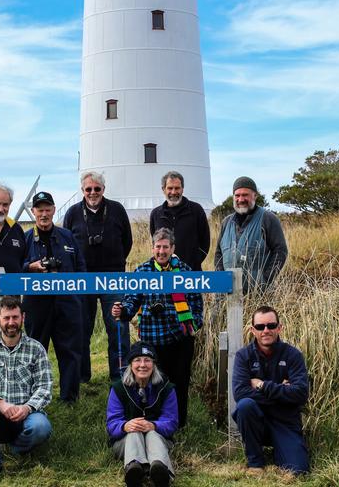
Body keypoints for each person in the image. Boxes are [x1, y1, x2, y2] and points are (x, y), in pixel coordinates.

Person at [112, 228, 203, 427]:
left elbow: (197, 305)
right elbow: (131, 302)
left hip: (180, 339)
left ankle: (178, 424)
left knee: (179, 383)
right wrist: (123, 312)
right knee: (152, 384)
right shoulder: (142, 271)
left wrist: (190, 325)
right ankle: (152, 423)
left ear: (173, 249)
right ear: (152, 248)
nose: (161, 251)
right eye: (158, 247)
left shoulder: (186, 272)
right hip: (152, 340)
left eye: (165, 247)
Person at [0, 296, 52, 484]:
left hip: (26, 415)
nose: (11, 323)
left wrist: (27, 408)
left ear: (23, 317)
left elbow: (45, 387)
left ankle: (16, 448)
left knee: (42, 427)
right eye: (6, 318)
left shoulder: (36, 349)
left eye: (15, 317)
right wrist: (0, 403)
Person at [63, 171, 133, 382]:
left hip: (113, 278)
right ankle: (83, 376)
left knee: (118, 328)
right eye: (88, 189)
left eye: (97, 189)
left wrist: (114, 262)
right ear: (82, 190)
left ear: (103, 189)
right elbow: (67, 244)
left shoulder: (117, 210)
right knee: (82, 328)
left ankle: (119, 375)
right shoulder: (73, 213)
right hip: (83, 280)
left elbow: (127, 242)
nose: (92, 193)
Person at [23, 191, 86, 403]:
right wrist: (30, 267)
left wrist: (78, 297)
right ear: (33, 212)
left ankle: (69, 397)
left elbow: (81, 268)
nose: (43, 214)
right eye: (39, 210)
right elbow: (16, 269)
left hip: (67, 303)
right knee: (34, 351)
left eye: (47, 209)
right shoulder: (26, 239)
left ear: (53, 210)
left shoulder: (67, 236)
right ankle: (33, 397)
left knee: (70, 351)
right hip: (36, 305)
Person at [232, 305, 309, 474]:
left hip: (285, 421)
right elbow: (240, 393)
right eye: (260, 327)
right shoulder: (243, 356)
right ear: (253, 330)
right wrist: (282, 391)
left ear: (279, 328)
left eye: (271, 326)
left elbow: (301, 394)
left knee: (299, 471)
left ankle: (283, 450)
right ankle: (255, 462)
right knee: (245, 406)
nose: (266, 330)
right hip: (257, 421)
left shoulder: (293, 355)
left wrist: (262, 385)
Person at [107, 342, 178, 487]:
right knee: (134, 433)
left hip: (158, 439)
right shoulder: (118, 388)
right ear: (130, 364)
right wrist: (125, 426)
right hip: (126, 442)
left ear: (154, 364)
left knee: (152, 434)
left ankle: (160, 470)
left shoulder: (166, 388)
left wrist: (153, 425)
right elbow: (112, 424)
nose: (142, 365)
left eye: (147, 360)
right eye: (137, 360)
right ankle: (134, 469)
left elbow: (171, 422)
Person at [214, 176, 288, 293]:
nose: (241, 199)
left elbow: (280, 251)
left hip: (258, 294)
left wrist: (265, 279)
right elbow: (219, 253)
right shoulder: (226, 222)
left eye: (245, 195)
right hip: (228, 292)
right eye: (237, 195)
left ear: (255, 196)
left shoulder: (268, 218)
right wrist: (221, 279)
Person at [149, 171, 210, 272]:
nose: (173, 192)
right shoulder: (156, 214)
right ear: (163, 189)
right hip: (164, 274)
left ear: (182, 189)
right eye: (170, 188)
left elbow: (205, 242)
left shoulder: (196, 210)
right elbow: (155, 241)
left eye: (177, 188)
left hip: (192, 273)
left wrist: (194, 262)